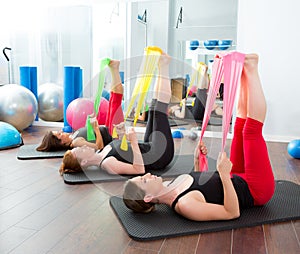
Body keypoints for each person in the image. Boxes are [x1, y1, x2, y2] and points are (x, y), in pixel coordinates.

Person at [123, 54, 275, 221]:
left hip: (235, 176)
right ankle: (252, 68)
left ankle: (245, 70)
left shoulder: (170, 185)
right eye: (144, 181)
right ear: (148, 198)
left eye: (141, 176)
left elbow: (202, 187)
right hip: (255, 190)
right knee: (250, 131)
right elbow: (231, 212)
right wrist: (224, 175)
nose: (147, 175)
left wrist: (197, 160)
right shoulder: (185, 205)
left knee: (239, 127)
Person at [60, 52, 175, 176]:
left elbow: (125, 151)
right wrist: (134, 142)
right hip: (159, 155)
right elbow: (139, 170)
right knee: (159, 111)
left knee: (153, 108)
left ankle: (161, 66)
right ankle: (164, 65)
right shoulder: (107, 164)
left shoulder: (101, 151)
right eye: (80, 150)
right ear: (84, 162)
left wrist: (122, 135)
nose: (84, 147)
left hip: (149, 148)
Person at [36, 60, 125, 152]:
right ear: (61, 142)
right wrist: (96, 128)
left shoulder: (73, 136)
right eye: (59, 134)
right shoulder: (75, 143)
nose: (61, 131)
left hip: (108, 129)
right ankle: (115, 69)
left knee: (113, 100)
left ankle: (114, 68)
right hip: (113, 135)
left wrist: (90, 124)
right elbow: (99, 147)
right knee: (116, 101)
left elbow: (90, 136)